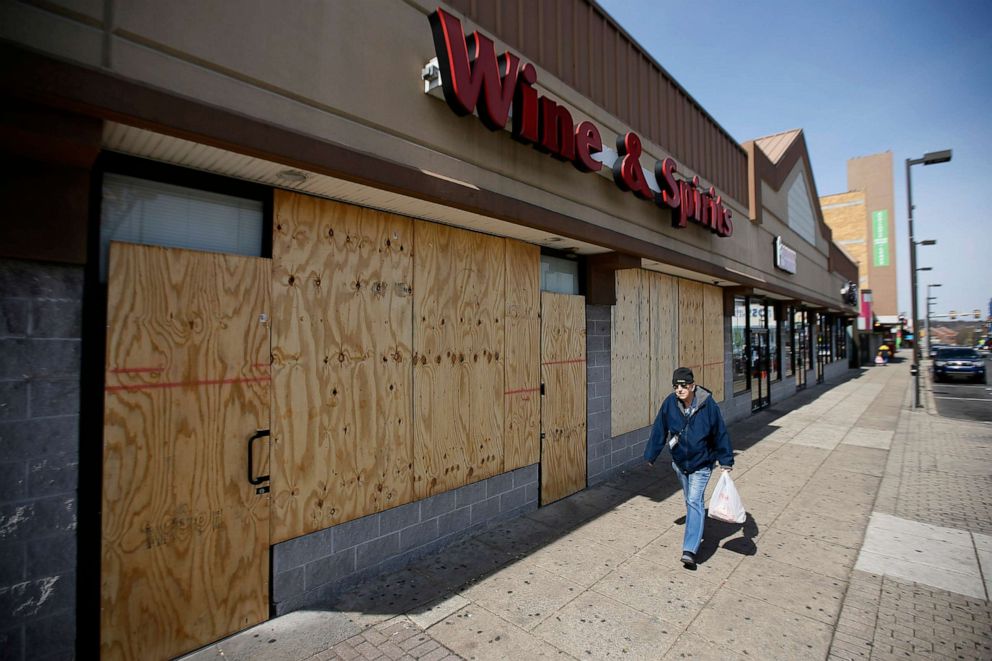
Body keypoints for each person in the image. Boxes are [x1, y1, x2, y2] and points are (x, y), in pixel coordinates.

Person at [644, 367, 735, 569]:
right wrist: (651, 454)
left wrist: (726, 460)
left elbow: (720, 433)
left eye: (683, 385)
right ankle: (696, 524)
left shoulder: (707, 405)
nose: (679, 389)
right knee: (690, 501)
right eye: (676, 386)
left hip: (702, 463)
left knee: (694, 500)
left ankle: (689, 550)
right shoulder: (670, 403)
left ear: (692, 386)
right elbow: (660, 428)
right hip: (680, 463)